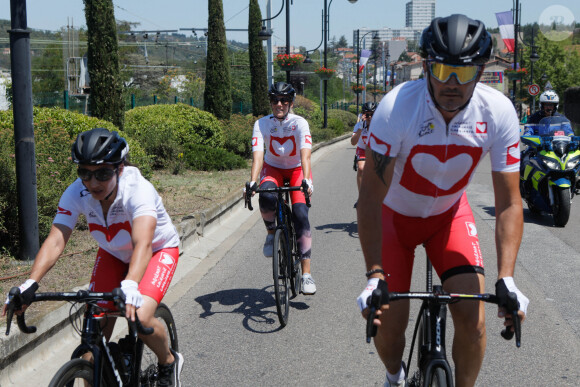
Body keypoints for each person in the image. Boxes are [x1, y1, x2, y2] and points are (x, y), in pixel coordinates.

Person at [356, 14, 529, 387]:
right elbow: (369, 198)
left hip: (448, 217)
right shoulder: (397, 107)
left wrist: (507, 278)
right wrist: (374, 275)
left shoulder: (498, 113)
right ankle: (393, 376)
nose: (452, 83)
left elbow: (510, 203)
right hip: (394, 220)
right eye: (443, 70)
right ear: (427, 66)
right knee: (388, 321)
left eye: (464, 73)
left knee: (473, 319)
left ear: (481, 72)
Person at [2, 128, 183, 386]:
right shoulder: (77, 192)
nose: (92, 182)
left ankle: (168, 362)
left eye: (102, 173)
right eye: (84, 173)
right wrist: (30, 283)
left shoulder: (137, 190)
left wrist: (131, 283)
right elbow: (56, 239)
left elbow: (143, 242)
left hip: (156, 250)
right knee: (92, 342)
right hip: (113, 253)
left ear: (120, 168)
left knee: (141, 315)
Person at [247, 82, 316, 295]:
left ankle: (306, 275)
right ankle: (271, 234)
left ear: (291, 103)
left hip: (296, 169)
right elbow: (258, 155)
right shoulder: (261, 124)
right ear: (270, 102)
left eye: (284, 100)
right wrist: (252, 181)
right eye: (275, 100)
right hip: (273, 168)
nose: (279, 104)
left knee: (300, 214)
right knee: (266, 196)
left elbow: (305, 154)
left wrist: (306, 179)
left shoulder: (300, 123)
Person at [351, 102, 377, 208]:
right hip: (362, 149)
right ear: (363, 115)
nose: (370, 117)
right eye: (367, 114)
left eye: (372, 114)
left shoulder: (381, 124)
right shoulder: (359, 125)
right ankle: (362, 196)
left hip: (376, 150)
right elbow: (353, 142)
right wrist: (360, 129)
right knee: (361, 168)